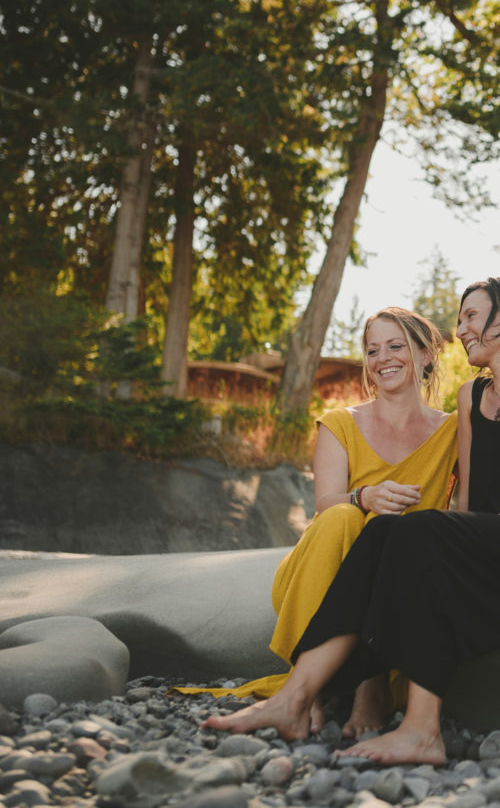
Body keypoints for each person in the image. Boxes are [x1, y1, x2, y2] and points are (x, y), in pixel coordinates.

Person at [202, 277, 500, 765]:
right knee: (388, 528)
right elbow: (469, 505)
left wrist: (482, 540)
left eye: (472, 316)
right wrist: (475, 537)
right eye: (460, 320)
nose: (461, 329)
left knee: (419, 528)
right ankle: (294, 697)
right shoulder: (470, 398)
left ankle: (420, 731)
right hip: (498, 549)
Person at [180, 307, 457, 738]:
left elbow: (478, 512)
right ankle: (306, 690)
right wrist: (365, 497)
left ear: (425, 354)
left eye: (396, 346)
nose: (382, 358)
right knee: (344, 516)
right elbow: (326, 503)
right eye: (372, 350)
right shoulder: (340, 423)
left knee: (400, 544)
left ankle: (370, 688)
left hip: (399, 590)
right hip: (322, 573)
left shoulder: (454, 433)